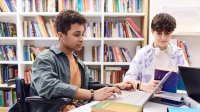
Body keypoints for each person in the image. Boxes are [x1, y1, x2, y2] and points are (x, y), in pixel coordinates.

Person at [30, 10, 132, 112]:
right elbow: (48, 86)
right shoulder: (45, 59)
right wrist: (92, 94)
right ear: (61, 36)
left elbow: (90, 84)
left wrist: (112, 87)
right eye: (76, 34)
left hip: (79, 108)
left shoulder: (77, 61)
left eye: (83, 34)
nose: (81, 39)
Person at [123, 13, 189, 93]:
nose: (163, 38)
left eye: (167, 33)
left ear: (172, 32)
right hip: (147, 97)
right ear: (152, 31)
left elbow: (187, 79)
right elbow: (127, 79)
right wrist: (142, 86)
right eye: (159, 33)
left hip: (172, 98)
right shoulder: (142, 53)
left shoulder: (178, 52)